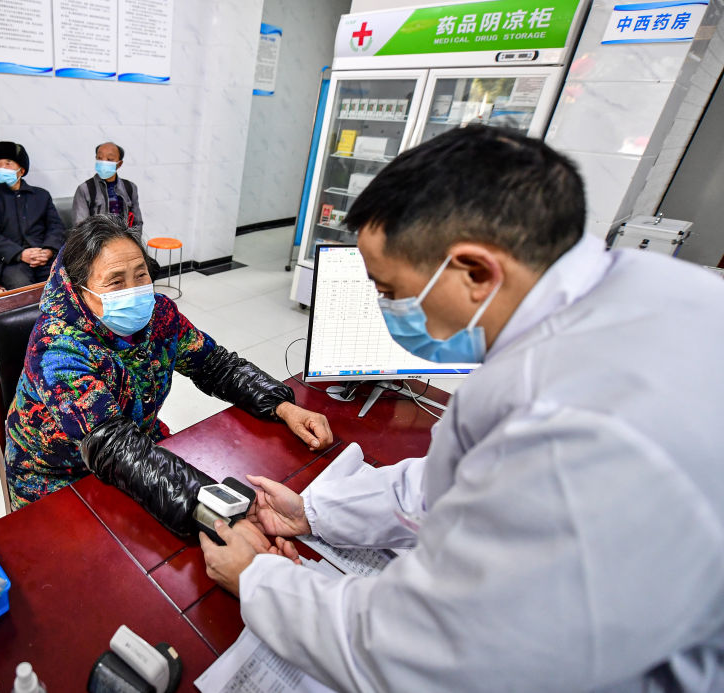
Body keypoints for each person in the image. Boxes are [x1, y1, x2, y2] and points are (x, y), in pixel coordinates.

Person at [199, 126, 724, 692]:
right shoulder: (646, 290)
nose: (384, 309)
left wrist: (257, 581)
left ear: (476, 272)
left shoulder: (572, 422)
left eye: (389, 290)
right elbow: (456, 486)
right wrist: (315, 513)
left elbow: (438, 654)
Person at [4, 214, 332, 535]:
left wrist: (283, 406)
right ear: (79, 290)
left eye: (141, 275)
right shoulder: (57, 349)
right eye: (115, 282)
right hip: (59, 476)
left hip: (136, 447)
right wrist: (215, 514)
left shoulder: (159, 314)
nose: (134, 291)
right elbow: (112, 446)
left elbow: (214, 365)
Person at [0, 141, 67, 289]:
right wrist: (20, 254)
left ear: (21, 171)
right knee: (22, 287)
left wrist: (48, 250)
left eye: (8, 163)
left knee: (62, 281)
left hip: (43, 257)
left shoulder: (41, 195)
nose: (2, 168)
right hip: (9, 262)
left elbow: (56, 227)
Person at [71, 142, 143, 234]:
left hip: (124, 239)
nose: (104, 162)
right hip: (96, 240)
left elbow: (137, 223)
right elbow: (81, 227)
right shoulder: (85, 189)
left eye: (110, 159)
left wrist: (131, 241)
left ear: (119, 164)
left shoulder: (130, 188)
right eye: (100, 158)